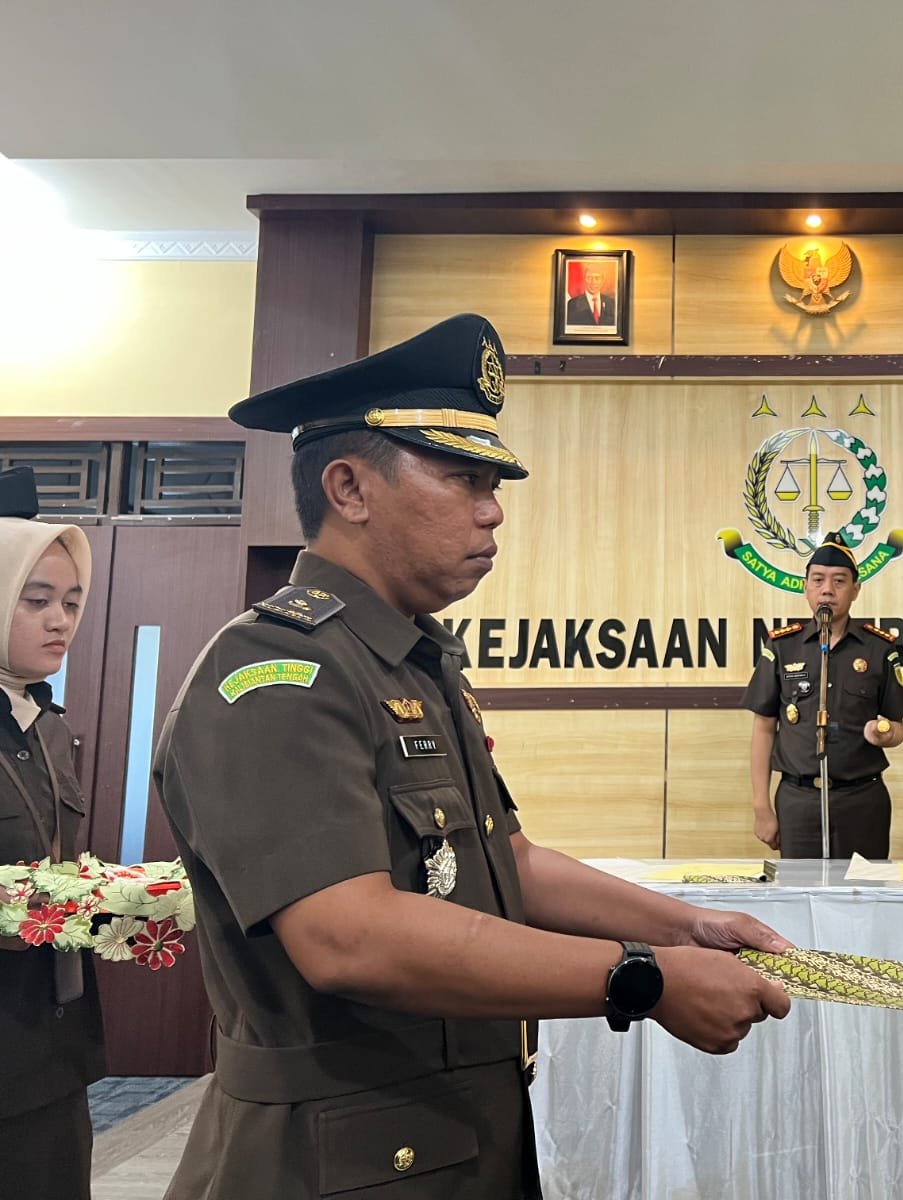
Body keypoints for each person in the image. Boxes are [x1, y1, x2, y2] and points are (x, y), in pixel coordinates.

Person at [153, 314, 791, 1199]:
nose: (493, 509)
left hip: (458, 1131)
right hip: (333, 1154)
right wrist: (641, 978)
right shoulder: (278, 673)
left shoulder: (417, 659)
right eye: (462, 479)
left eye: (495, 484)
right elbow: (349, 936)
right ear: (349, 488)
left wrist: (679, 927)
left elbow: (503, 861)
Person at [0, 465, 102, 1200]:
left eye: (70, 601)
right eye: (36, 601)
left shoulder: (49, 727)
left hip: (48, 1036)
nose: (60, 620)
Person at [744, 531, 903, 857]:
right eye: (818, 580)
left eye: (839, 581)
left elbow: (898, 728)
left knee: (864, 899)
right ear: (805, 586)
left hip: (863, 799)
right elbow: (764, 729)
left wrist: (884, 735)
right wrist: (761, 806)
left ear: (855, 590)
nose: (827, 590)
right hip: (798, 799)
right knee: (799, 897)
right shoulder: (781, 646)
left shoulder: (880, 648)